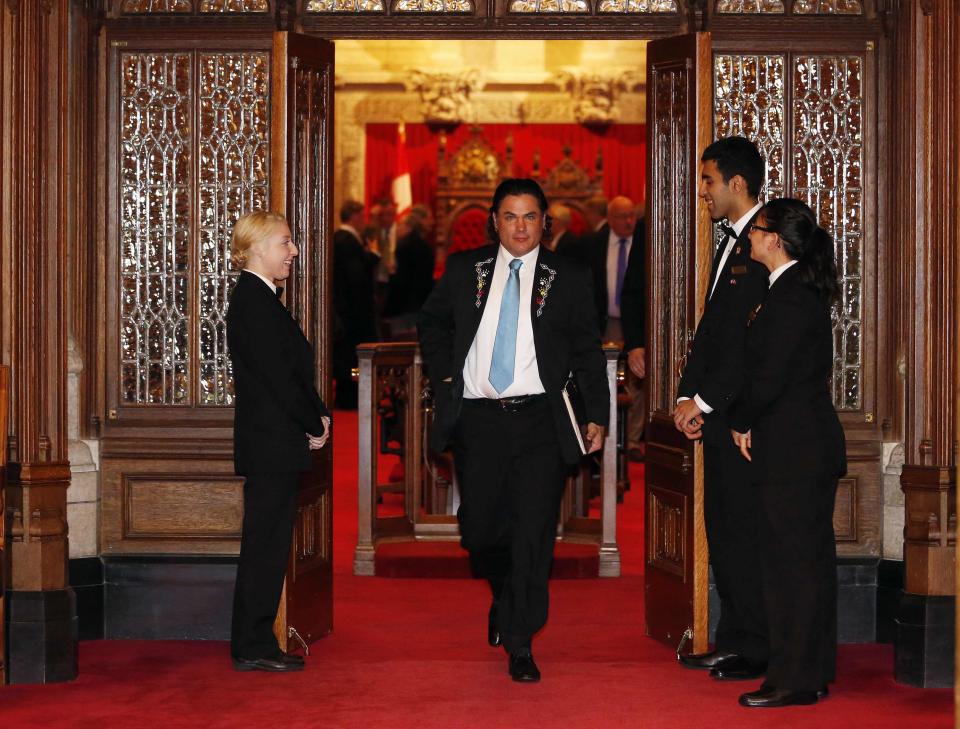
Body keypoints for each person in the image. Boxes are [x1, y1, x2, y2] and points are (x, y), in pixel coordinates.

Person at [418, 178, 609, 683]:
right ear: (494, 221)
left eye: (530, 216)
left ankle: (521, 640)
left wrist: (598, 415)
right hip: (478, 421)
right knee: (481, 530)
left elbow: (589, 349)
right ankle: (505, 597)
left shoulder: (567, 274)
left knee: (533, 533)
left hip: (541, 421)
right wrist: (445, 375)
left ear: (545, 221)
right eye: (510, 216)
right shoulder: (466, 269)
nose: (520, 227)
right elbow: (432, 323)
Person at [728, 198, 845, 708]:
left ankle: (794, 679)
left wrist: (740, 419)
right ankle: (809, 671)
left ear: (775, 239)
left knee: (791, 568)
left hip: (794, 451)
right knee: (806, 564)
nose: (750, 235)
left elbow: (769, 377)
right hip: (801, 447)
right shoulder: (791, 290)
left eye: (757, 229)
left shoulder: (790, 296)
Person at [673, 136, 770, 680]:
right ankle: (736, 640)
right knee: (725, 529)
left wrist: (703, 402)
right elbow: (710, 334)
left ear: (737, 184)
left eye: (708, 180)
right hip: (717, 414)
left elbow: (747, 345)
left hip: (740, 420)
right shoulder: (729, 241)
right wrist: (688, 394)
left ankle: (755, 647)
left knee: (740, 531)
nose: (703, 191)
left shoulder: (765, 241)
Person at [227, 211, 331, 672]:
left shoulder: (262, 299)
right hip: (272, 444)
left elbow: (291, 374)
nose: (293, 252)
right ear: (257, 248)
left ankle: (255, 641)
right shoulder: (253, 300)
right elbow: (279, 381)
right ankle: (253, 644)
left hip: (275, 442)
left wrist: (318, 414)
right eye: (285, 243)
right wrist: (314, 421)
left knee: (268, 543)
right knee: (265, 546)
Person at [589, 195, 646, 458]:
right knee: (605, 379)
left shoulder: (645, 241)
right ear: (610, 219)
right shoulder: (595, 244)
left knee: (637, 381)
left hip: (635, 322)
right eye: (623, 216)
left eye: (632, 215)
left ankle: (633, 440)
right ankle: (605, 435)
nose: (629, 221)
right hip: (607, 323)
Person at [333, 200, 379, 409]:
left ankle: (348, 396)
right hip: (352, 312)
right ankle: (349, 398)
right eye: (362, 215)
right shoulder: (347, 241)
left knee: (347, 356)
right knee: (351, 356)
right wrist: (372, 259)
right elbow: (356, 279)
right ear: (354, 216)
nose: (365, 220)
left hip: (346, 310)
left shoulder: (342, 239)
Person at [384, 205, 436, 338]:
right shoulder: (423, 246)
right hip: (416, 305)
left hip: (402, 304)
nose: (433, 222)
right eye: (429, 218)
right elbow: (423, 281)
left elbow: (401, 279)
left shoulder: (404, 244)